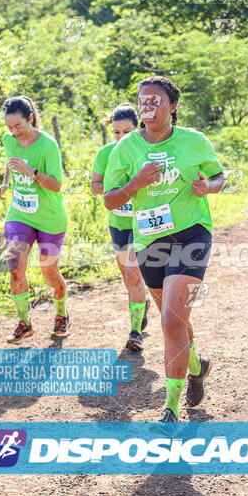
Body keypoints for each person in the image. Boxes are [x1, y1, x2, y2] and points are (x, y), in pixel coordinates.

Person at [103, 76, 225, 421]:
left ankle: (170, 407)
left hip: (192, 235)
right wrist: (136, 183)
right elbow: (110, 200)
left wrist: (209, 187)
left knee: (171, 320)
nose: (148, 107)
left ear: (172, 106)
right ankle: (198, 365)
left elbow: (219, 176)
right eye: (143, 101)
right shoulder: (124, 149)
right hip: (150, 241)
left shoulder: (194, 141)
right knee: (173, 321)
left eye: (156, 101)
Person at [0, 95, 69, 343]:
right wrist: (6, 182)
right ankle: (24, 322)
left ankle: (61, 314)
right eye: (9, 127)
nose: (14, 132)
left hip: (50, 218)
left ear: (30, 118)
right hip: (20, 213)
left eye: (18, 126)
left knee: (49, 271)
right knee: (15, 268)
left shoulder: (47, 145)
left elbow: (56, 185)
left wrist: (30, 171)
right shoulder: (9, 139)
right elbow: (11, 160)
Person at [91, 103, 149, 352]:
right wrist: (117, 191)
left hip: (142, 222)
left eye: (126, 132)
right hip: (117, 222)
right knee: (128, 276)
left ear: (138, 128)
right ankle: (141, 304)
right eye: (116, 132)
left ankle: (135, 332)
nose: (120, 137)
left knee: (134, 272)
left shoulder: (145, 150)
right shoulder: (105, 154)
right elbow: (95, 185)